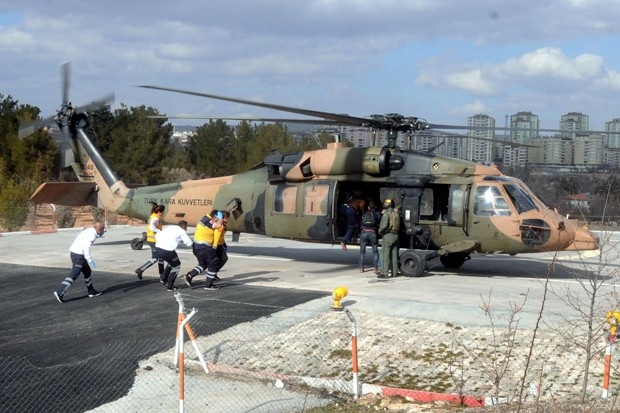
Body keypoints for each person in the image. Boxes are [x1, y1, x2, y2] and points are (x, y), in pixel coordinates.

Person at [53, 221, 106, 303]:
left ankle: (91, 291)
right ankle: (59, 292)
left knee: (87, 271)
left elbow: (89, 231)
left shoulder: (92, 230)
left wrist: (100, 234)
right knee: (74, 273)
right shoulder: (92, 235)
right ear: (99, 229)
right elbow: (86, 247)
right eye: (103, 229)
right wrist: (89, 259)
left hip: (76, 253)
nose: (103, 231)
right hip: (78, 255)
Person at [184, 210, 230, 291]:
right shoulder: (208, 221)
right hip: (204, 247)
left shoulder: (205, 218)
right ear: (215, 217)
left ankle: (189, 276)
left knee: (203, 264)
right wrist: (220, 219)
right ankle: (208, 285)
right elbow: (218, 227)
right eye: (218, 218)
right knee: (214, 263)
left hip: (198, 247)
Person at [155, 220, 193, 291]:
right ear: (184, 227)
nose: (186, 229)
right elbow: (188, 243)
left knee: (171, 262)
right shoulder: (181, 231)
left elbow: (157, 235)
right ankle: (170, 285)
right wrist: (192, 242)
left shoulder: (169, 227)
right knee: (177, 265)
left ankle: (163, 278)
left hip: (158, 248)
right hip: (167, 250)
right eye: (186, 227)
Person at [135, 203, 165, 280]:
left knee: (161, 257)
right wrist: (160, 232)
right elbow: (152, 228)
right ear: (159, 212)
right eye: (162, 212)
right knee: (155, 258)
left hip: (154, 240)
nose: (163, 213)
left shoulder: (153, 216)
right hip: (154, 240)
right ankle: (141, 270)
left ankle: (162, 274)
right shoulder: (155, 218)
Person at [377, 199, 400, 279]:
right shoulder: (396, 213)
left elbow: (383, 226)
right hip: (395, 235)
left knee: (385, 254)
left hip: (388, 235)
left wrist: (379, 231)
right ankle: (395, 273)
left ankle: (384, 273)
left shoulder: (386, 214)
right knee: (394, 255)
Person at [358, 201, 381, 273]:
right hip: (372, 233)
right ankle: (375, 268)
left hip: (364, 233)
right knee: (375, 251)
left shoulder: (364, 213)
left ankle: (361, 268)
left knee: (362, 251)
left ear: (368, 207)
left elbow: (361, 222)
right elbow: (379, 221)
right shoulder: (377, 213)